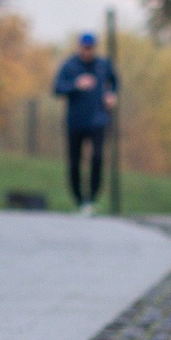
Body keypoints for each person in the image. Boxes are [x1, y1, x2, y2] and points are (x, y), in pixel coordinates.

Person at [51, 33, 118, 212]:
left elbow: (115, 81)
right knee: (75, 161)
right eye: (85, 47)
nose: (88, 51)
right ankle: (79, 199)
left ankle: (92, 197)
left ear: (95, 48)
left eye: (91, 48)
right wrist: (76, 84)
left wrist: (112, 94)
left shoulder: (103, 65)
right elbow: (57, 88)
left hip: (98, 119)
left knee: (97, 157)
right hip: (76, 121)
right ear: (79, 47)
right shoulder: (69, 66)